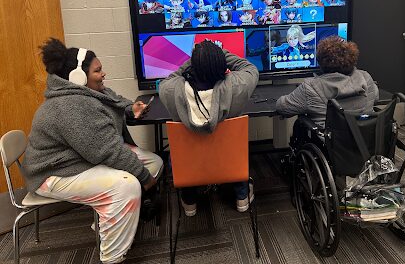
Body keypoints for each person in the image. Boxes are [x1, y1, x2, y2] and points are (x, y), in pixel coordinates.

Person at [22, 38, 163, 264]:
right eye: (97, 70)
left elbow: (112, 102)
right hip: (54, 172)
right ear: (78, 76)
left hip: (79, 159)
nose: (103, 74)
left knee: (153, 162)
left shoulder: (86, 92)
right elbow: (109, 151)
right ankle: (112, 257)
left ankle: (108, 221)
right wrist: (146, 180)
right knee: (127, 186)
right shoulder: (71, 106)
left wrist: (130, 108)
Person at [159, 40, 259, 216]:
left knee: (177, 156)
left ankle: (189, 201)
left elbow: (170, 78)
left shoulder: (170, 91)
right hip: (228, 162)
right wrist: (220, 54)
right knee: (237, 150)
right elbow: (250, 68)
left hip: (191, 165)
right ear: (222, 66)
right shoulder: (236, 87)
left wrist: (196, 59)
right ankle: (242, 196)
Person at [276, 36, 378, 128]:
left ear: (320, 61)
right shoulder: (365, 77)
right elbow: (375, 97)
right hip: (366, 143)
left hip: (330, 146)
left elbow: (282, 107)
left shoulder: (311, 87)